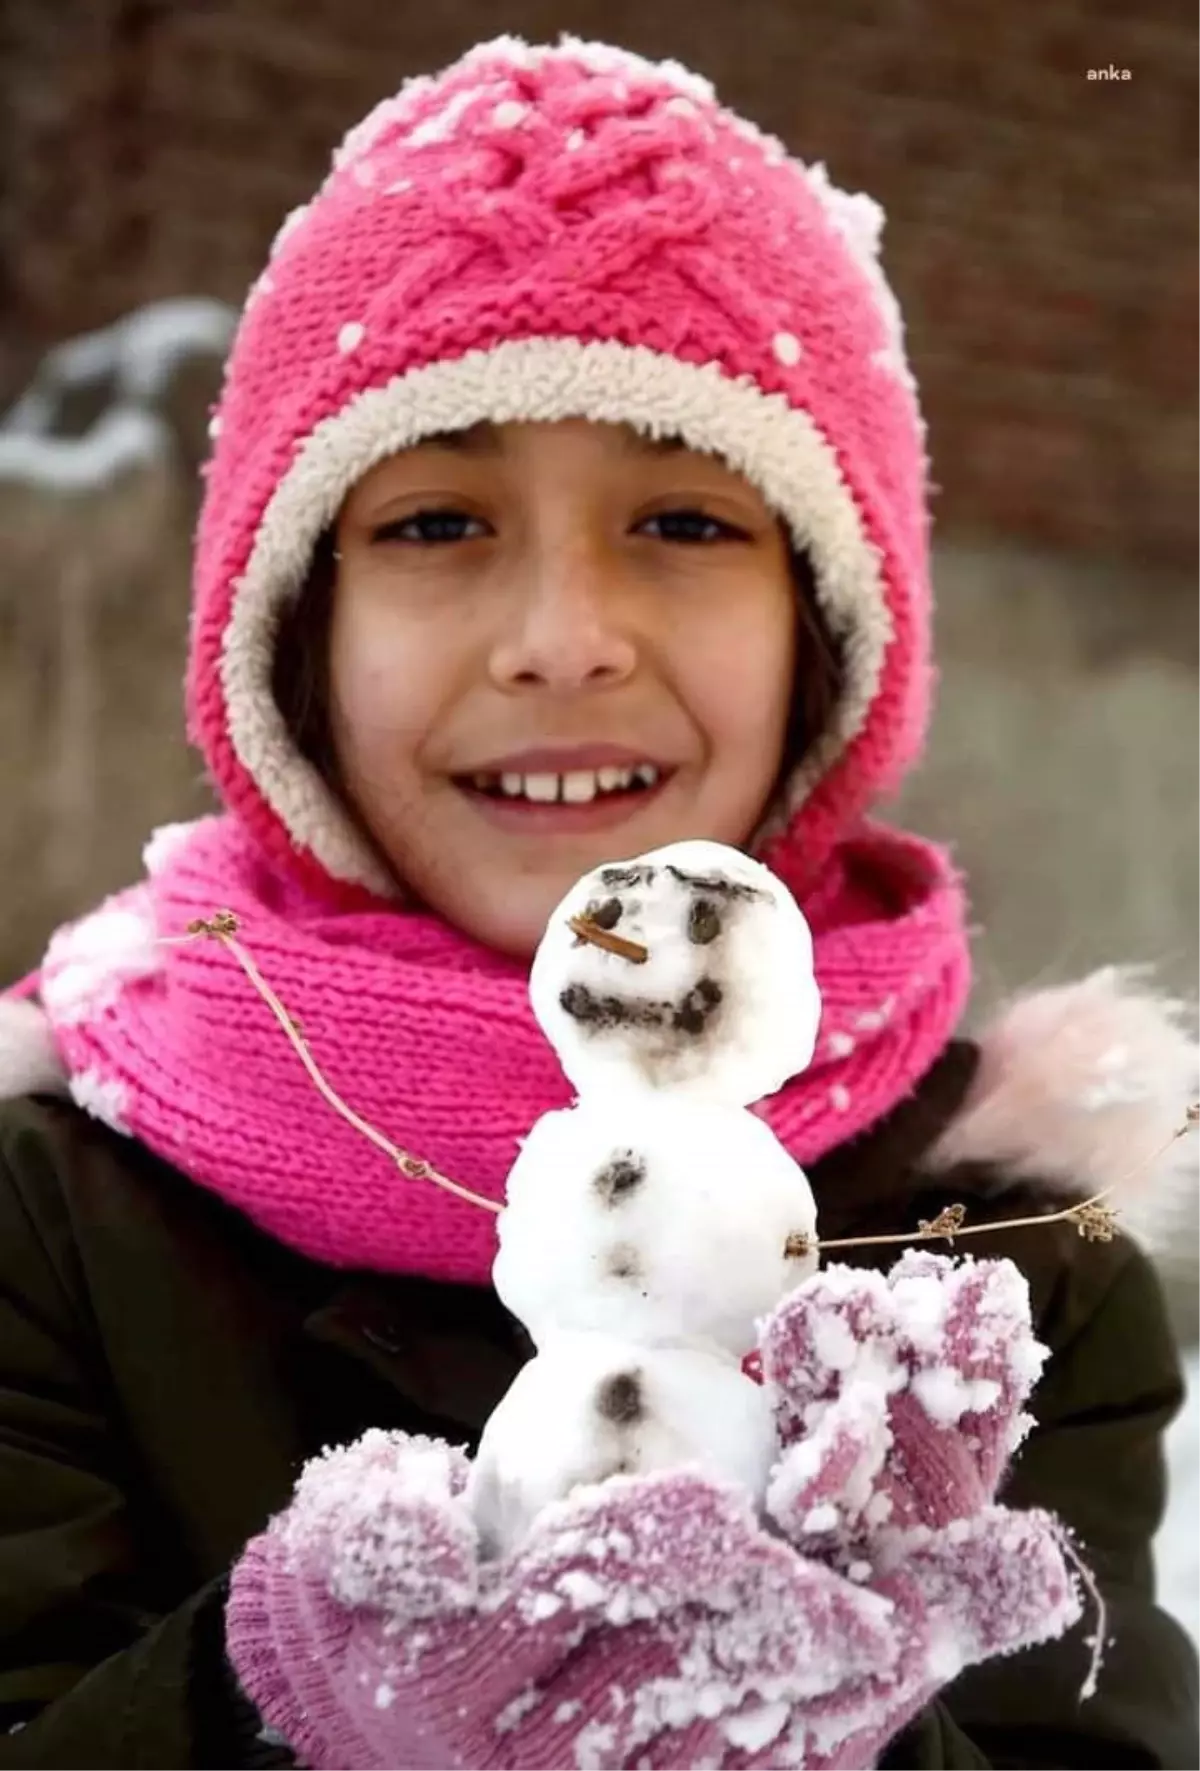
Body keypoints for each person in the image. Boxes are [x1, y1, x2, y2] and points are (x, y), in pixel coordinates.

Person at [0, 33, 1196, 1770]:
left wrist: (840, 1707)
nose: (565, 632)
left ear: (829, 641)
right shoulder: (57, 1216)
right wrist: (301, 1695)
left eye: (684, 521)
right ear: (294, 642)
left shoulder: (1003, 1261)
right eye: (433, 523)